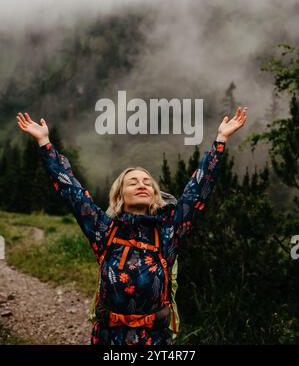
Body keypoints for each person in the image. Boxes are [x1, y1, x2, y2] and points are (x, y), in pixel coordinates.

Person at [16, 106, 247, 345]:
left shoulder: (168, 233)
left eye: (148, 182)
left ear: (155, 196)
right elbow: (72, 191)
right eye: (133, 182)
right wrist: (45, 143)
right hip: (109, 338)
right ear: (119, 196)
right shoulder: (104, 230)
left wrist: (221, 141)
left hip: (155, 340)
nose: (142, 185)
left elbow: (197, 191)